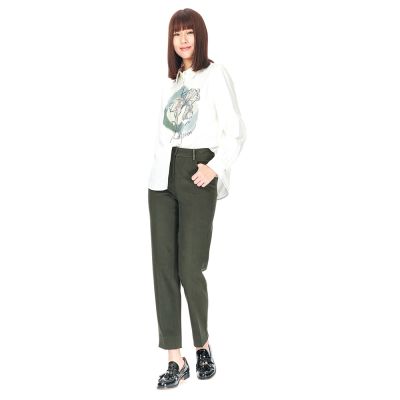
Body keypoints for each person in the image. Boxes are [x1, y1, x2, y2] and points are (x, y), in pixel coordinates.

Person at [148, 8, 246, 389]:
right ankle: (175, 359)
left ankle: (202, 345)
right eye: (177, 34)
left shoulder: (215, 74)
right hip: (162, 177)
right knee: (164, 270)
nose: (183, 40)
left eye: (189, 32)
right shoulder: (170, 82)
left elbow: (236, 131)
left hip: (197, 171)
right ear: (171, 41)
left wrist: (214, 167)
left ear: (199, 36)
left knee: (190, 268)